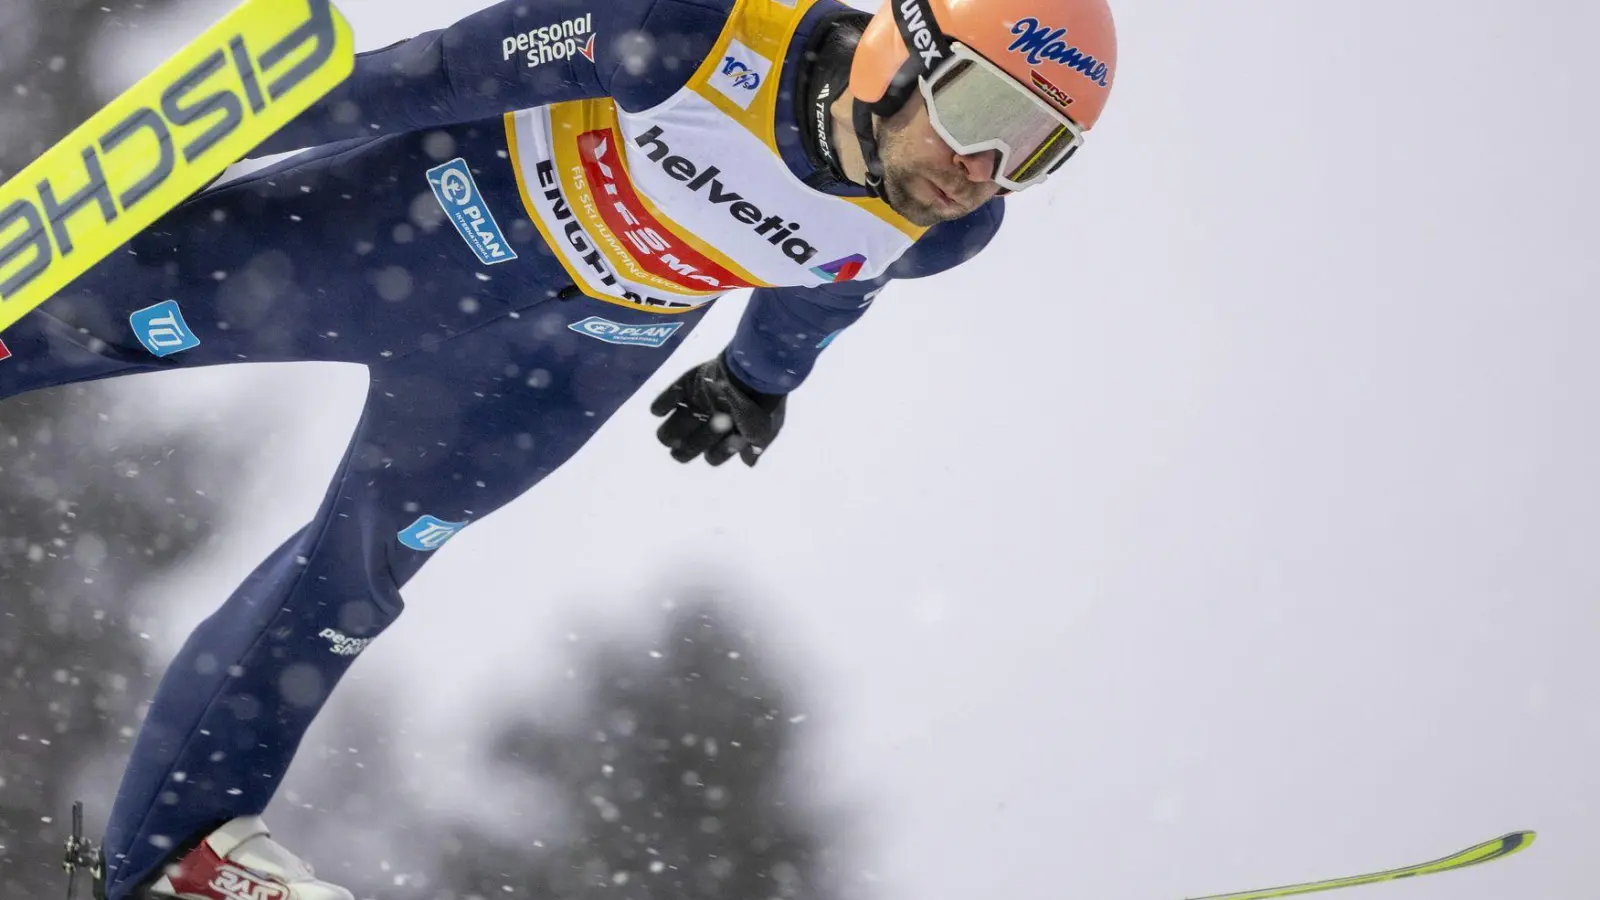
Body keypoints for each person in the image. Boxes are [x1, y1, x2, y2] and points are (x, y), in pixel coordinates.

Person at [6, 0, 1116, 895]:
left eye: (1037, 151)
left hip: (550, 369)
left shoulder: (944, 228)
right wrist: (221, 128)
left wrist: (754, 382)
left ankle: (172, 861)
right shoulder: (703, 35)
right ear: (897, 52)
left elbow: (829, 286)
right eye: (981, 112)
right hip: (411, 231)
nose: (984, 167)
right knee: (85, 313)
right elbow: (437, 74)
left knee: (349, 585)